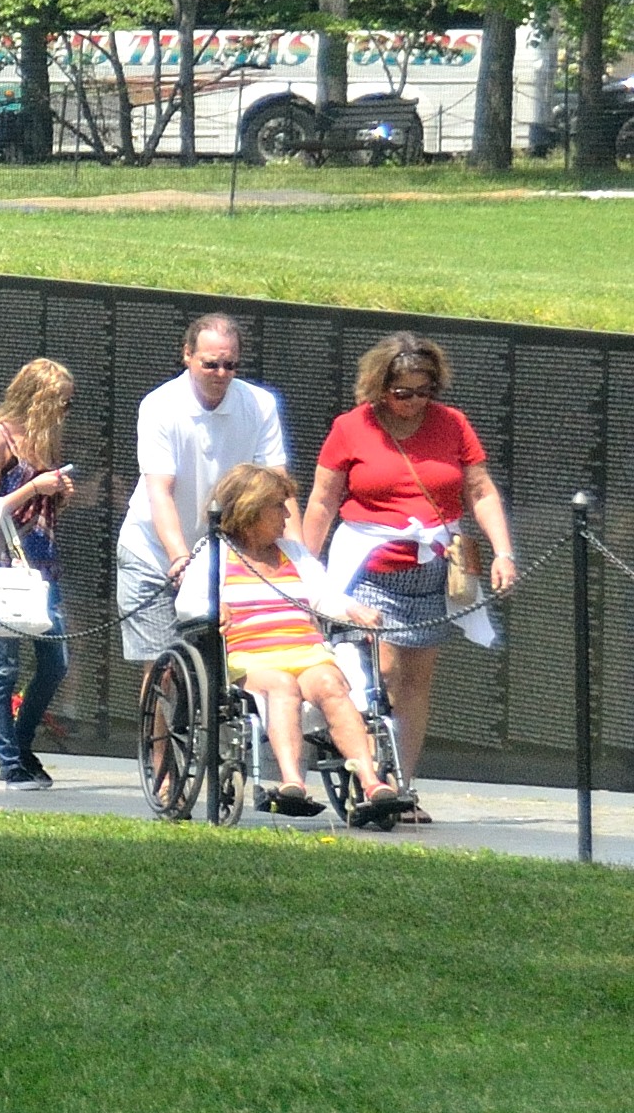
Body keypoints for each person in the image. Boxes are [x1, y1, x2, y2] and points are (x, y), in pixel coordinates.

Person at [303, 330, 516, 818]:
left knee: (416, 681)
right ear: (380, 387)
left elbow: (480, 491)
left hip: (435, 570)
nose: (414, 402)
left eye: (424, 391)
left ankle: (403, 784)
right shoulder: (351, 427)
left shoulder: (452, 424)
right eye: (403, 392)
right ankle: (372, 773)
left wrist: (503, 551)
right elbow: (322, 500)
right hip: (371, 566)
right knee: (384, 671)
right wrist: (306, 568)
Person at [198, 460, 410, 825]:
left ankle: (372, 782)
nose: (285, 515)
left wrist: (353, 610)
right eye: (277, 506)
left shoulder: (293, 554)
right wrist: (213, 608)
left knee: (330, 682)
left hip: (305, 651)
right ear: (251, 509)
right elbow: (189, 602)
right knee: (282, 685)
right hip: (252, 657)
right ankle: (292, 781)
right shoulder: (216, 554)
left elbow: (325, 596)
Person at [114, 313, 287, 672]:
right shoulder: (160, 406)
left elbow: (276, 486)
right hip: (153, 554)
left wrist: (296, 556)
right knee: (163, 670)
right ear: (187, 356)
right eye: (211, 364)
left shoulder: (259, 404)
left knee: (225, 670)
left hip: (222, 558)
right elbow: (160, 490)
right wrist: (180, 560)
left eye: (230, 365)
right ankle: (158, 731)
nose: (221, 374)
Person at [0, 356, 79, 787]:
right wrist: (35, 486)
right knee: (3, 669)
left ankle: (22, 740)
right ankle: (9, 761)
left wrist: (58, 493)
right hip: (3, 566)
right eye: (60, 404)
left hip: (42, 566)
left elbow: (39, 509)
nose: (64, 414)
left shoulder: (44, 440)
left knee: (55, 662)